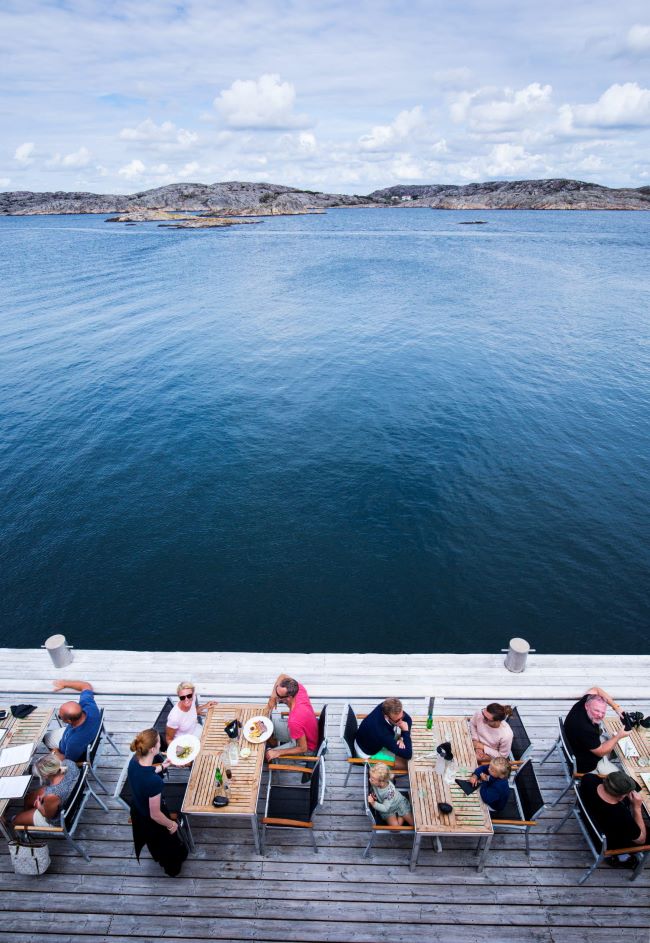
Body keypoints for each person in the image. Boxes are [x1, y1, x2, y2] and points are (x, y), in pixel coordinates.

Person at [127, 728, 188, 877]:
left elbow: (146, 771)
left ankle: (170, 856)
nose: (161, 743)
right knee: (166, 844)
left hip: (138, 808)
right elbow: (155, 814)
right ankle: (172, 868)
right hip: (151, 819)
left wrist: (164, 766)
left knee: (159, 844)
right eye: (160, 742)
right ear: (153, 749)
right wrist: (171, 824)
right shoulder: (154, 783)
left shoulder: (134, 761)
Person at [579, 770, 648, 869]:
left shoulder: (589, 779)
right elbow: (641, 840)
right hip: (609, 843)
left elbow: (596, 779)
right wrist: (636, 808)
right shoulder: (621, 815)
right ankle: (622, 857)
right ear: (621, 797)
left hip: (592, 817)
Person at [563, 686, 629, 774]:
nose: (600, 715)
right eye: (596, 711)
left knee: (617, 744)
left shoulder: (583, 703)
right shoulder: (587, 729)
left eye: (603, 712)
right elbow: (601, 752)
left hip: (576, 744)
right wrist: (618, 736)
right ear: (587, 706)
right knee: (622, 776)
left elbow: (596, 689)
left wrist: (616, 707)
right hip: (585, 764)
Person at [13, 753, 81, 827]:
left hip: (60, 818)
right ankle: (28, 816)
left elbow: (48, 816)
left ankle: (25, 824)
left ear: (46, 775)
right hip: (72, 794)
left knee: (15, 820)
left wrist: (39, 806)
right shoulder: (69, 763)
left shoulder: (52, 794)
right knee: (29, 797)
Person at [44, 679, 101, 763]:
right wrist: (65, 683)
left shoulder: (74, 742)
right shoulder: (90, 707)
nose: (59, 716)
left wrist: (55, 752)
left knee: (45, 738)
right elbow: (86, 685)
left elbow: (68, 761)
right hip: (87, 735)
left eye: (60, 717)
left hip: (69, 745)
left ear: (69, 721)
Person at [265, 674, 319, 762]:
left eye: (279, 696)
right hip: (302, 731)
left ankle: (273, 749)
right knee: (267, 726)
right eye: (276, 690)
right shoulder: (299, 690)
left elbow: (303, 748)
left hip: (306, 747)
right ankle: (273, 742)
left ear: (289, 698)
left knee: (268, 757)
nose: (276, 697)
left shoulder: (294, 720)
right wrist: (272, 697)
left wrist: (278, 752)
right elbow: (282, 676)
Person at [355, 698, 413, 771]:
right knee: (406, 766)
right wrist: (405, 731)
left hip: (370, 739)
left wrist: (402, 738)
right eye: (397, 720)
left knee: (407, 746)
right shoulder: (382, 733)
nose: (401, 721)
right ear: (386, 716)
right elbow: (408, 754)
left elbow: (408, 719)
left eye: (402, 716)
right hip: (367, 754)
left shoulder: (386, 706)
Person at [165, 681, 217, 746]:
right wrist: (181, 752)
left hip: (196, 730)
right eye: (182, 697)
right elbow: (169, 739)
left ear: (193, 693)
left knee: (215, 739)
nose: (186, 699)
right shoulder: (174, 717)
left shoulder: (193, 698)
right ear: (179, 697)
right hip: (183, 742)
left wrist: (205, 706)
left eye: (189, 696)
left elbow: (192, 712)